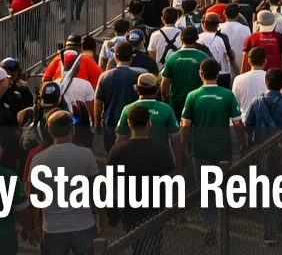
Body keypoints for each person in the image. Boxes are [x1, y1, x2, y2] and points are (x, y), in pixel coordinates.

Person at [180, 59, 247, 243]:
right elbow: (237, 123)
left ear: (201, 74)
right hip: (223, 149)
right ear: (217, 75)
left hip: (199, 149)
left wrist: (182, 149)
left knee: (205, 188)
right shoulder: (227, 95)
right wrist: (245, 144)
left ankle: (209, 224)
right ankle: (222, 217)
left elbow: (186, 126)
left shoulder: (192, 96)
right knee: (221, 184)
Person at [27, 111, 104, 254]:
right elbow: (98, 189)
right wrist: (102, 217)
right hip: (84, 225)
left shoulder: (38, 159)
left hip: (52, 228)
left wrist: (34, 226)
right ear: (73, 130)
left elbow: (33, 196)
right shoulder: (86, 154)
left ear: (49, 131)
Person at [106, 107, 176, 255]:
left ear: (129, 123)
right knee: (155, 240)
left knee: (134, 242)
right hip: (155, 203)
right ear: (149, 123)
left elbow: (110, 181)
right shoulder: (161, 149)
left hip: (129, 205)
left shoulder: (117, 150)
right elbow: (171, 177)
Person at [243, 69, 282, 245]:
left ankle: (269, 231)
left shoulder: (257, 102)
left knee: (266, 190)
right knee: (281, 187)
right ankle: (279, 225)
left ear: (265, 82)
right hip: (280, 150)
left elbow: (248, 127)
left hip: (261, 150)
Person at [114, 74, 182, 167]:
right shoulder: (166, 109)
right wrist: (179, 163)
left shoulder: (128, 109)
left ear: (136, 88)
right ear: (157, 89)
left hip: (134, 160)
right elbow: (176, 139)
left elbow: (120, 138)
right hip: (161, 159)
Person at [92, 42, 144, 152]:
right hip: (132, 125)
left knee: (112, 154)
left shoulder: (104, 76)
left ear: (115, 57)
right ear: (131, 58)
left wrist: (97, 124)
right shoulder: (137, 76)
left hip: (110, 123)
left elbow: (98, 102)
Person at [159, 28, 209, 120]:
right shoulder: (203, 57)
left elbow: (165, 83)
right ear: (196, 38)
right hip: (198, 100)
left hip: (176, 102)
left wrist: (165, 99)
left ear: (181, 39)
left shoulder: (172, 57)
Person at [242, 11, 282, 77]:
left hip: (255, 75)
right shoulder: (280, 37)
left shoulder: (251, 38)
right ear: (274, 24)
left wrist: (242, 75)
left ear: (258, 23)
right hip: (275, 76)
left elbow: (245, 59)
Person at [231, 47, 269, 112]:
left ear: (249, 61)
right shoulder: (270, 78)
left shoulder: (238, 79)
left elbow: (234, 103)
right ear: (265, 61)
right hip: (267, 119)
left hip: (244, 119)